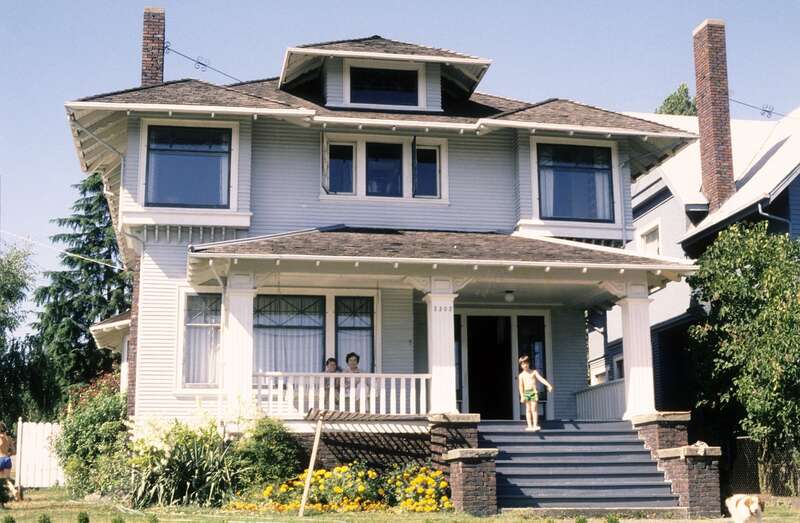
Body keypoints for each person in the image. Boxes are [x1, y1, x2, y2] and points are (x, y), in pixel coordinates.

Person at [518, 355, 553, 432]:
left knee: (534, 409)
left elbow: (541, 379)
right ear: (521, 365)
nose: (525, 365)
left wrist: (548, 385)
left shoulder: (534, 372)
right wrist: (522, 396)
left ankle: (535, 425)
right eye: (523, 364)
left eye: (526, 363)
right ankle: (529, 426)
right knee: (528, 410)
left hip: (533, 392)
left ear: (529, 363)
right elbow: (520, 387)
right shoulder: (521, 375)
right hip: (526, 393)